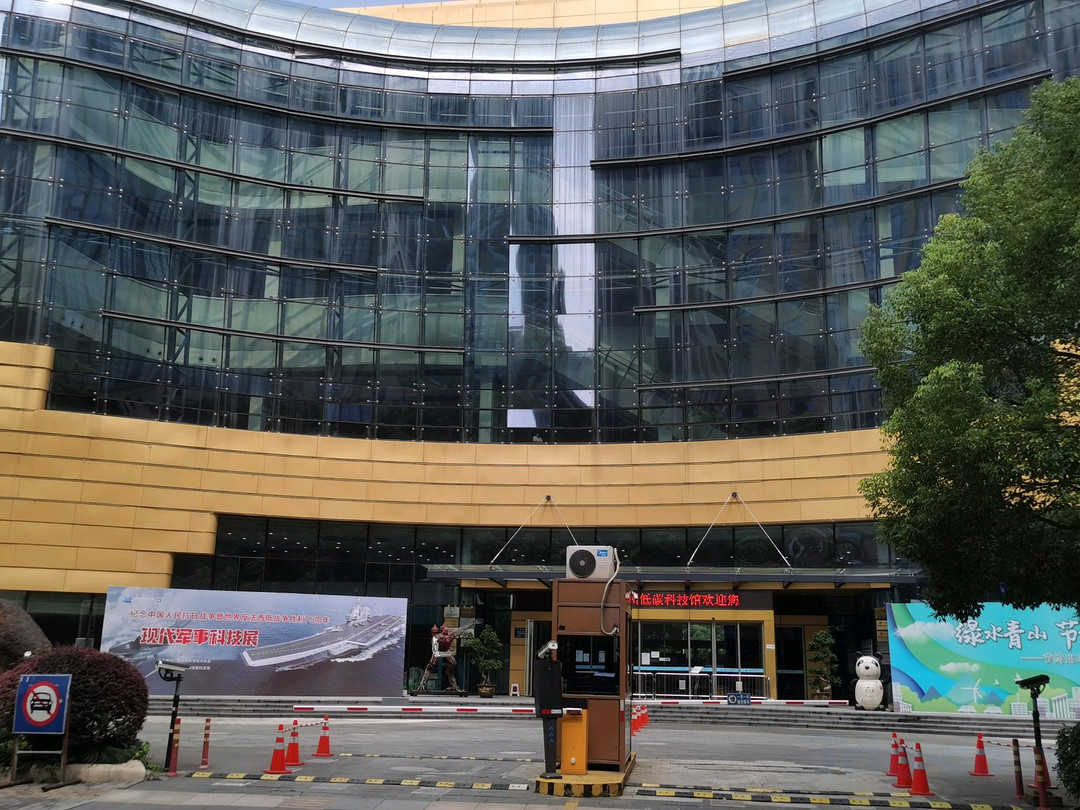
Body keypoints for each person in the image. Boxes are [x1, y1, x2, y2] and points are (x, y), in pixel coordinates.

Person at [417, 623, 460, 692]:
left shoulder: (450, 635)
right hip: (438, 650)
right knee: (431, 665)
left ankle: (451, 680)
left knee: (453, 663)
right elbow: (435, 649)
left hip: (446, 650)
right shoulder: (436, 637)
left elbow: (459, 631)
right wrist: (437, 654)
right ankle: (422, 684)